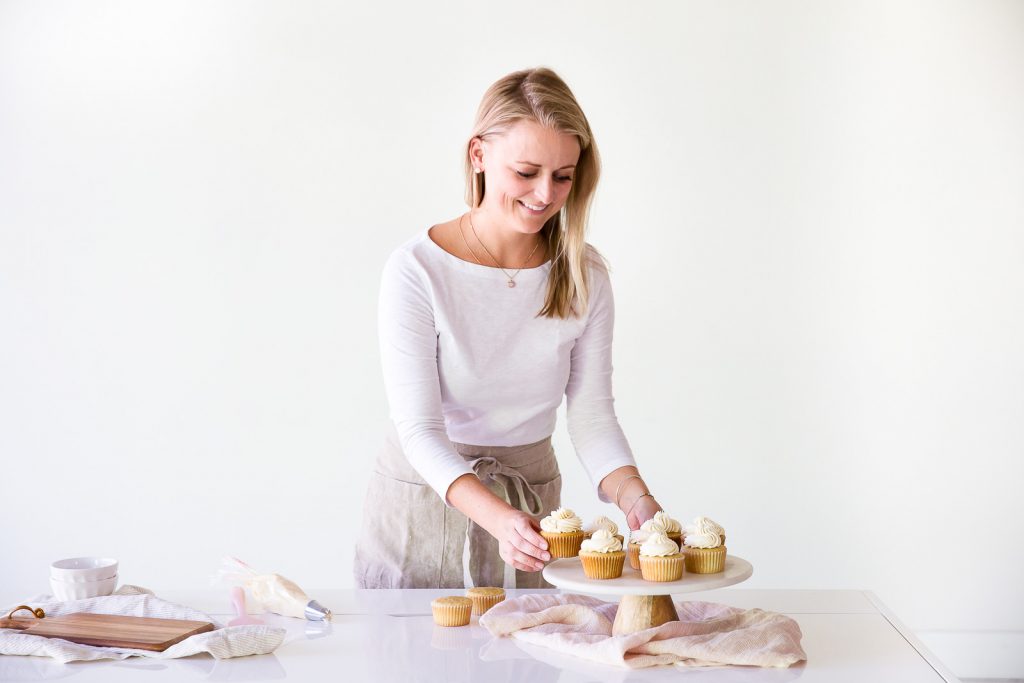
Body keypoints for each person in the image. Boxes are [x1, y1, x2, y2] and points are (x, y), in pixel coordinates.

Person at [353, 67, 663, 590]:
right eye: (526, 172)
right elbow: (419, 429)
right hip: (423, 507)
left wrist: (636, 496)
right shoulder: (417, 270)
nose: (545, 194)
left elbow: (590, 416)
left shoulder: (584, 275)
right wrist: (495, 516)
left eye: (563, 176)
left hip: (531, 507)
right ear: (479, 155)